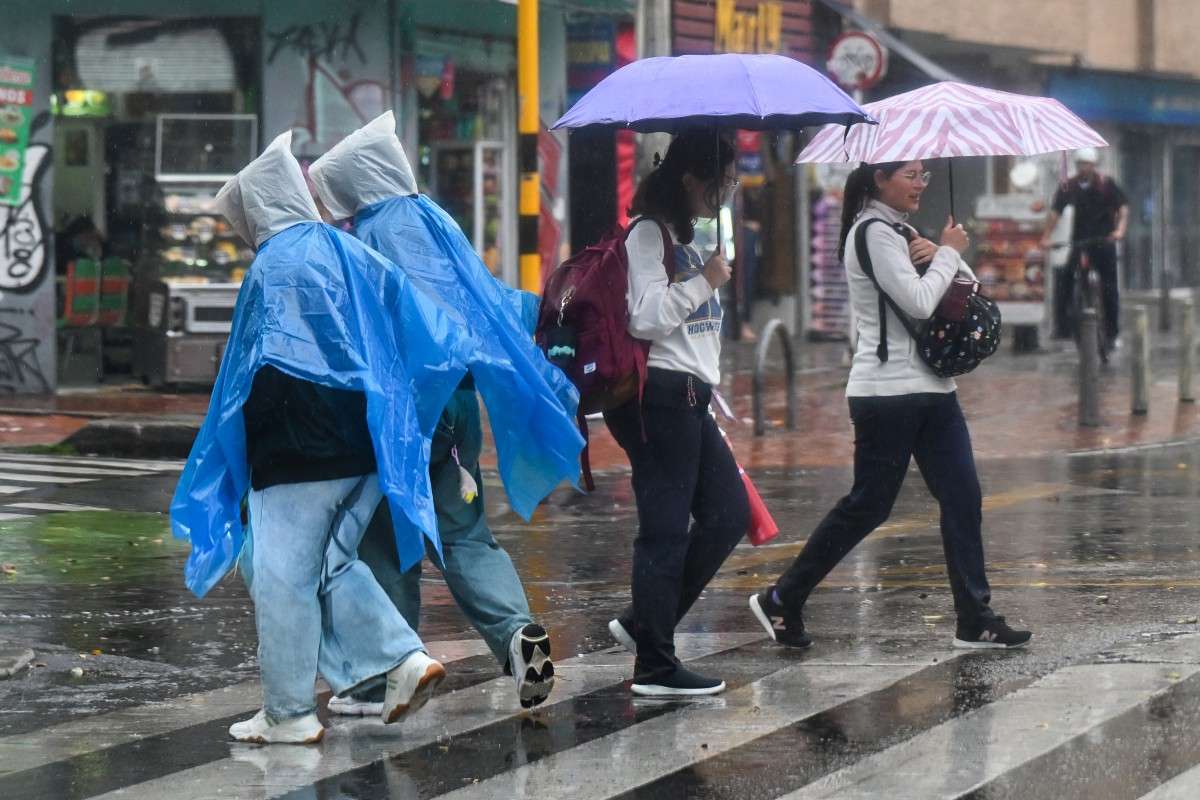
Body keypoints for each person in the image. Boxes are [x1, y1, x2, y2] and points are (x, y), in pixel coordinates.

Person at [171, 131, 473, 743]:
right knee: (332, 565)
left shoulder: (273, 265)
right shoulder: (345, 249)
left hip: (296, 456)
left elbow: (252, 374)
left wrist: (242, 458)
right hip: (365, 446)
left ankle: (288, 713)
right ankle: (403, 659)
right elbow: (417, 323)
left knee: (282, 579)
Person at [306, 112, 583, 712]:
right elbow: (483, 300)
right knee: (465, 536)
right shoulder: (436, 224)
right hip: (458, 409)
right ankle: (514, 635)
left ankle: (388, 670)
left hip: (403, 413)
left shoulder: (370, 238)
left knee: (388, 538)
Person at [749, 160, 1033, 652]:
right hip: (886, 393)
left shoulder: (904, 230)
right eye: (911, 175)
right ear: (880, 179)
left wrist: (947, 256)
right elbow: (921, 302)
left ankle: (974, 618)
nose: (921, 184)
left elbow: (963, 293)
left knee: (963, 497)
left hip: (934, 388)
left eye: (925, 175)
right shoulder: (873, 233)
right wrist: (945, 255)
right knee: (868, 506)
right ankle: (781, 597)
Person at [602, 130, 747, 697]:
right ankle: (655, 665)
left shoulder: (685, 238)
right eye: (724, 182)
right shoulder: (647, 235)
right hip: (659, 399)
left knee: (727, 514)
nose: (728, 192)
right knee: (663, 532)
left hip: (691, 396)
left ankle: (643, 622)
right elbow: (646, 319)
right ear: (691, 179)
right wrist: (704, 282)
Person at [1042, 147, 1128, 346]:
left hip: (1104, 240)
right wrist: (1045, 236)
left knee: (1109, 287)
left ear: (1093, 165)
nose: (1083, 167)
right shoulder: (1069, 186)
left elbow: (1123, 208)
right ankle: (1062, 328)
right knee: (1064, 279)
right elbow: (1055, 212)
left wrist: (1119, 231)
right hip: (1080, 241)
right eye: (1080, 163)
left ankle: (1112, 332)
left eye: (1087, 164)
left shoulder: (1106, 184)